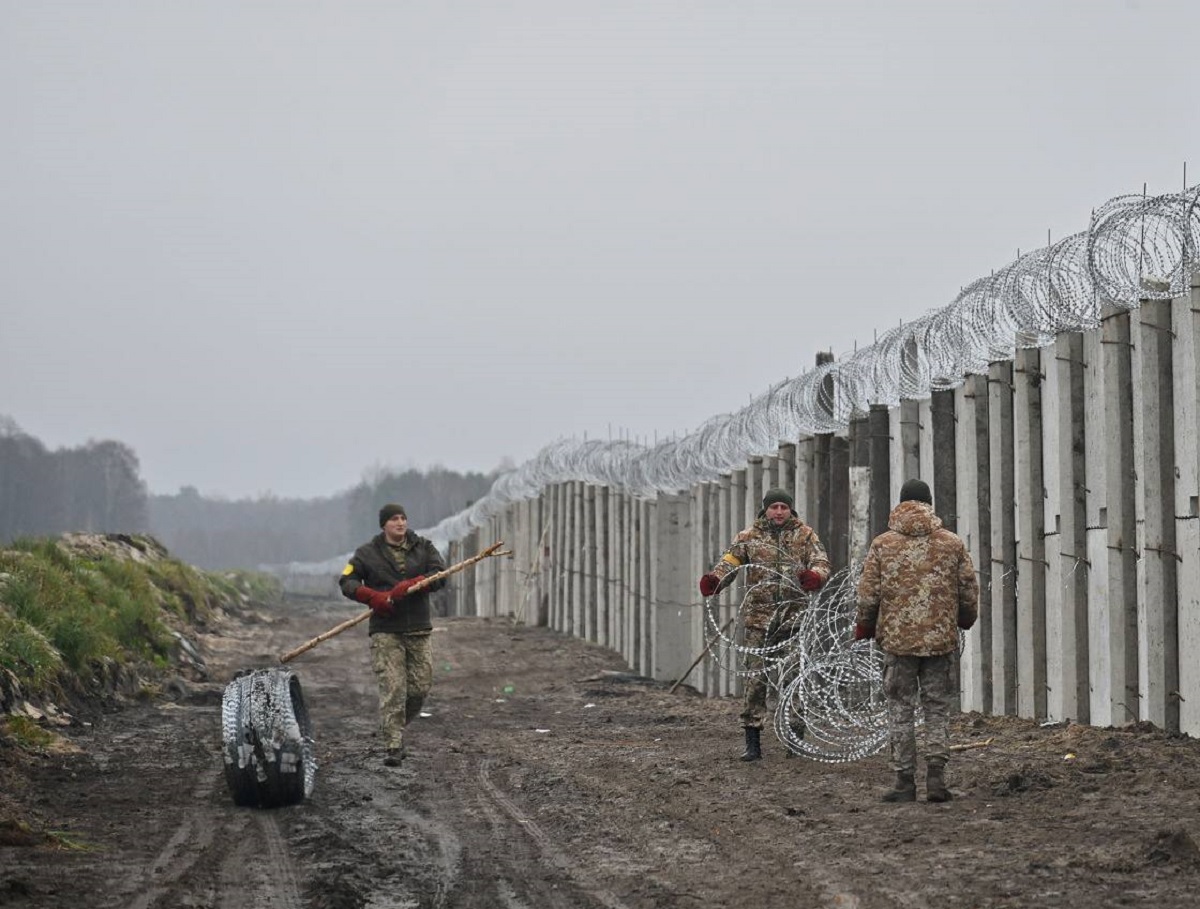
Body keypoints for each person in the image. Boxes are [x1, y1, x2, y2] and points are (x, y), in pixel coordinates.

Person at [853, 478, 979, 803]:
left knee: (900, 708)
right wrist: (964, 618)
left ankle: (903, 781)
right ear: (929, 503)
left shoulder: (883, 544)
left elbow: (868, 594)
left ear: (901, 503)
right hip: (940, 641)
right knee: (937, 708)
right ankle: (936, 779)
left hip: (897, 642)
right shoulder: (951, 543)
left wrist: (865, 626)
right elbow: (968, 587)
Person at [698, 488, 831, 761]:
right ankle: (753, 741)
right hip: (759, 620)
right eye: (774, 507)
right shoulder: (748, 538)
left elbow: (820, 561)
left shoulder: (805, 535)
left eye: (783, 506)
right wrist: (715, 580)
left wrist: (814, 576)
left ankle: (795, 739)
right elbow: (729, 563)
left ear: (790, 509)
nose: (779, 512)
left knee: (794, 679)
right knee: (755, 680)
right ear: (765, 510)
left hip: (793, 619)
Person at [339, 503, 446, 766]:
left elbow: (440, 575)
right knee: (393, 687)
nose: (400, 523)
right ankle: (393, 745)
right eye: (394, 519)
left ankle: (395, 724)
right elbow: (346, 581)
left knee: (420, 688)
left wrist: (414, 583)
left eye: (403, 518)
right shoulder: (367, 554)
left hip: (418, 627)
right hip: (386, 631)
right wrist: (371, 596)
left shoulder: (423, 547)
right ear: (383, 525)